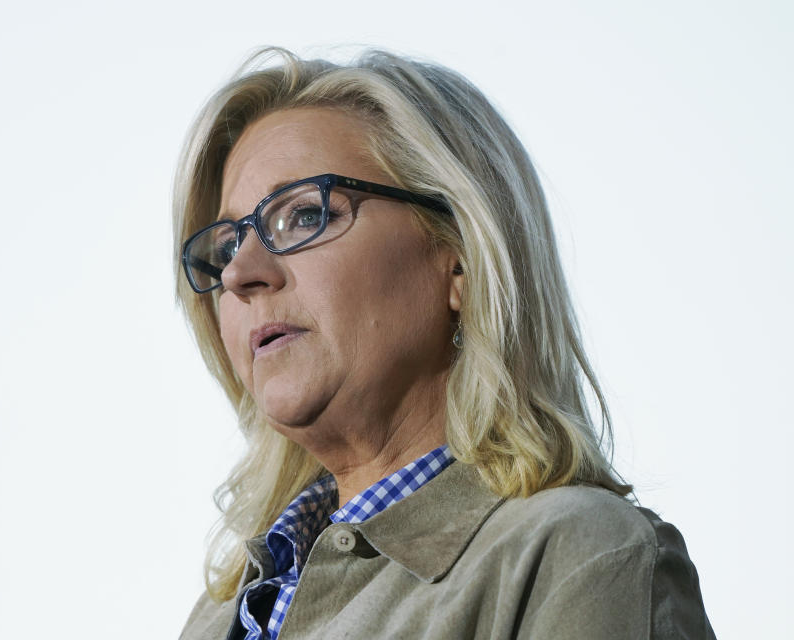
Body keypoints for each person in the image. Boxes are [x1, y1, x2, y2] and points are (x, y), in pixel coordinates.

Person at [173, 47, 715, 639]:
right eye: (224, 247)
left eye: (304, 215)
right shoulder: (217, 616)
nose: (238, 273)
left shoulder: (577, 553)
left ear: (459, 257)